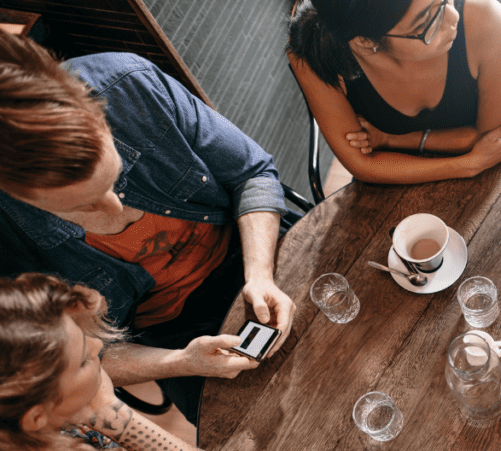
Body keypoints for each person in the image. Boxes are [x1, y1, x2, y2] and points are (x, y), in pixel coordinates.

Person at [0, 32, 296, 427]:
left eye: (114, 177)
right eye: (82, 205)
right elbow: (76, 359)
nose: (115, 207)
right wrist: (183, 362)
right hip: (175, 331)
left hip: (253, 248)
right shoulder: (7, 239)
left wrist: (259, 273)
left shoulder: (128, 84)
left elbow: (252, 174)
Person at [0, 273, 233, 451]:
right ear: (36, 416)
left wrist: (106, 407)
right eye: (82, 360)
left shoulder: (65, 425)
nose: (97, 347)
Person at [287, 0, 501, 185]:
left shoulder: (485, 17)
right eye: (427, 22)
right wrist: (468, 164)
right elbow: (362, 165)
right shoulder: (312, 50)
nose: (453, 18)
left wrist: (392, 141)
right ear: (366, 42)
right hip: (388, 190)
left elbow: (496, 140)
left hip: (486, 178)